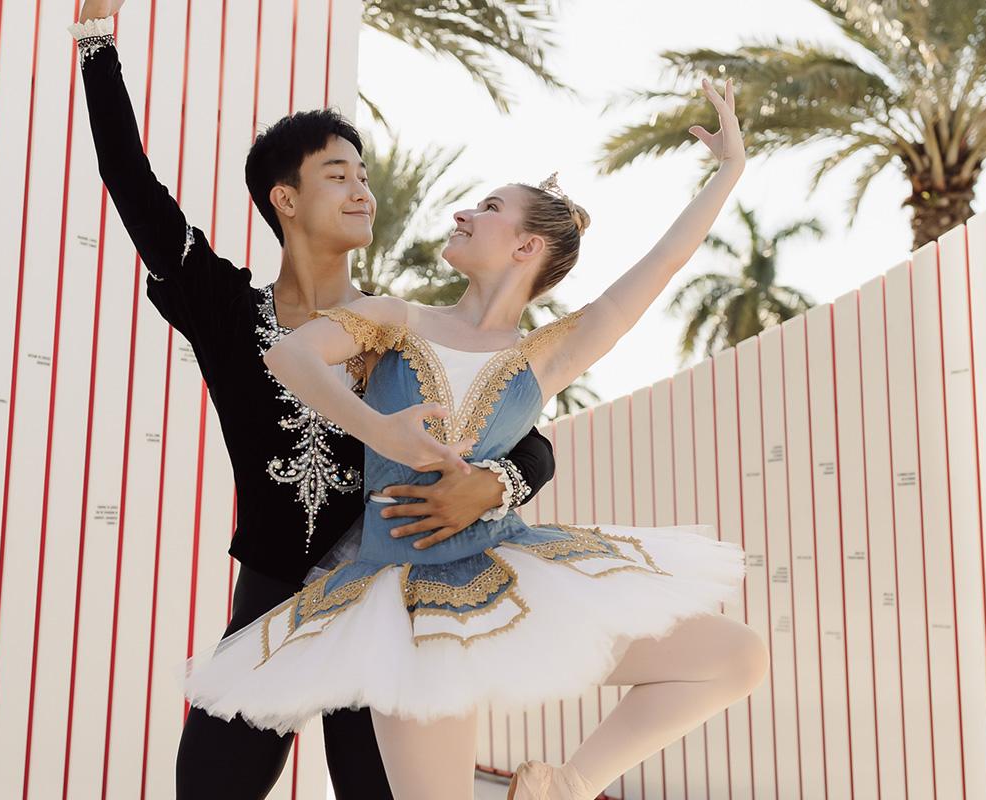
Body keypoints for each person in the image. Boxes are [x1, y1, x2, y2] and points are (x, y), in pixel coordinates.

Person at [178, 78, 769, 800]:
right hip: (404, 611)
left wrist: (730, 172)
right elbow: (290, 357)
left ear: (526, 245)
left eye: (488, 207)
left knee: (735, 657)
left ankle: (566, 786)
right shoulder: (396, 319)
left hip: (510, 577)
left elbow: (663, 266)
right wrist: (380, 427)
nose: (465, 211)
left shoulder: (547, 355)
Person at [67, 4, 559, 798]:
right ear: (285, 198)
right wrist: (95, 41)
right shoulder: (227, 312)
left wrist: (494, 485)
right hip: (270, 607)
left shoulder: (406, 329)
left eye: (364, 176)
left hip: (381, 614)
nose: (362, 190)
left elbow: (529, 436)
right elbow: (130, 179)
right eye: (339, 174)